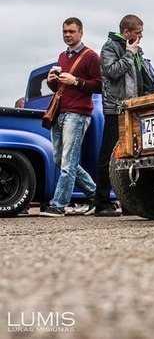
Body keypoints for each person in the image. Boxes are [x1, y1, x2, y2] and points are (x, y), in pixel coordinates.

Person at [92, 14, 154, 216]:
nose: (141, 36)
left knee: (134, 156)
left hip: (135, 110)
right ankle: (102, 203)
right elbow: (112, 72)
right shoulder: (110, 47)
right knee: (109, 155)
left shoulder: (136, 50)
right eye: (138, 32)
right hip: (117, 109)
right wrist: (129, 54)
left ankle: (130, 203)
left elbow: (141, 78)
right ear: (126, 33)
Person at [40, 17, 102, 217]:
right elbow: (60, 88)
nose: (67, 35)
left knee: (68, 161)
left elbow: (100, 86)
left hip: (78, 113)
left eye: (71, 31)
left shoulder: (91, 56)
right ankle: (95, 195)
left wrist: (76, 81)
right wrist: (52, 82)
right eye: (65, 31)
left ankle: (58, 205)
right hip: (60, 112)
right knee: (61, 159)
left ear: (81, 33)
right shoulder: (62, 56)